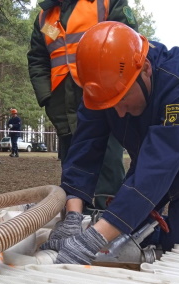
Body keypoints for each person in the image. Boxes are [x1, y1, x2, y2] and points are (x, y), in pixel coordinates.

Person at [40, 22, 179, 265]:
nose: (119, 113)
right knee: (127, 236)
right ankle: (164, 233)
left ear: (145, 68)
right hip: (149, 159)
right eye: (110, 105)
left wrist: (93, 239)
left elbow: (161, 163)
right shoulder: (102, 86)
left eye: (122, 99)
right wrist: (72, 216)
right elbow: (84, 150)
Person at [27, 0, 138, 210]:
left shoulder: (105, 3)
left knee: (106, 156)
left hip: (99, 94)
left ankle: (107, 214)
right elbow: (37, 59)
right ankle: (75, 215)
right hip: (60, 102)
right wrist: (46, 97)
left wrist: (115, 87)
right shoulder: (44, 18)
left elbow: (129, 40)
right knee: (71, 161)